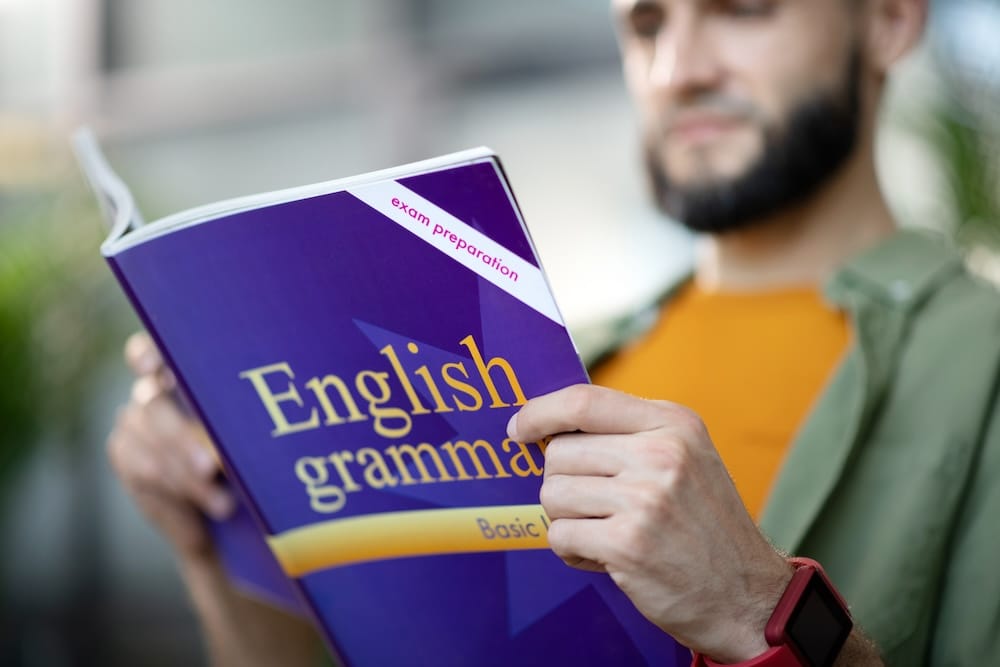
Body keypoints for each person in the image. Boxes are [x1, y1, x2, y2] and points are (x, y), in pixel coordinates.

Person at [108, 0, 1000, 664]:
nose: (677, 68)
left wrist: (757, 607)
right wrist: (211, 536)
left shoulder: (981, 361)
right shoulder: (544, 374)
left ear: (889, 19)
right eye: (646, 25)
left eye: (742, 9)